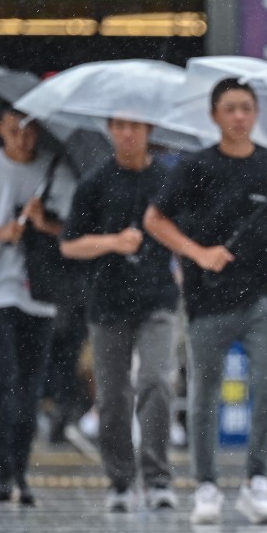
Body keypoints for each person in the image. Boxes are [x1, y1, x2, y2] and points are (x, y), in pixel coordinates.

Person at [145, 78, 267, 526]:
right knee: (204, 394)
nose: (239, 116)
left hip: (262, 296)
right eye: (230, 108)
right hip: (207, 299)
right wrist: (198, 253)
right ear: (215, 115)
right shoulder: (196, 166)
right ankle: (207, 485)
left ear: (255, 115)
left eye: (246, 108)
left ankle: (257, 480)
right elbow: (154, 219)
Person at [61, 117, 181, 512]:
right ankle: (120, 480)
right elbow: (70, 246)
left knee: (156, 382)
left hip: (158, 300)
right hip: (108, 303)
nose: (127, 133)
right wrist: (112, 242)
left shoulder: (168, 179)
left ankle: (158, 477)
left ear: (148, 131)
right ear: (110, 130)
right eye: (119, 126)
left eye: (135, 126)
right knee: (113, 396)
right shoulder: (94, 182)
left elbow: (188, 231)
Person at [0, 108, 75, 506]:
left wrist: (45, 223)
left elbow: (76, 229)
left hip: (41, 291)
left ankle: (20, 467)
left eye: (29, 128)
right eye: (13, 127)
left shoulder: (57, 170)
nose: (22, 136)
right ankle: (3, 468)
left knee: (30, 386)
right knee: (2, 377)